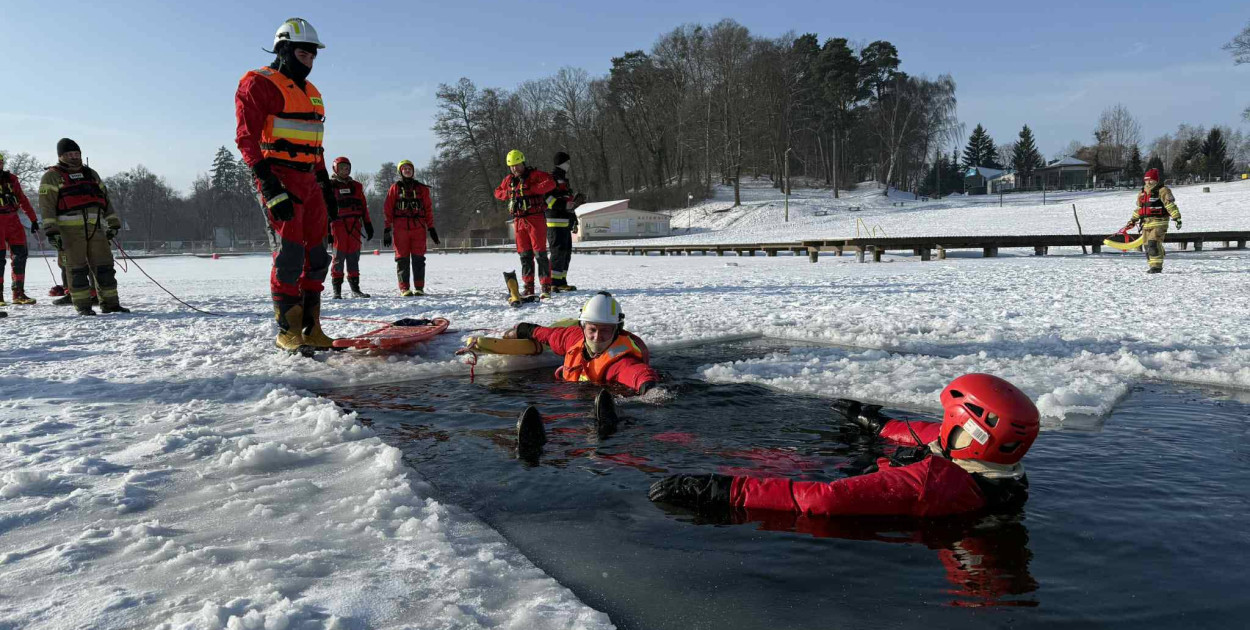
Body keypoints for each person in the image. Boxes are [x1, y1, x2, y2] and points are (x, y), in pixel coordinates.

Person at [649, 373, 1040, 518]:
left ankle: (656, 446)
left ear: (971, 435)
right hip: (887, 474)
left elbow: (823, 500)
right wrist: (879, 424)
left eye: (952, 422)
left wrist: (727, 490)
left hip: (839, 482)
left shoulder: (929, 481)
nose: (944, 427)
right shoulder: (999, 473)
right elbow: (933, 437)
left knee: (769, 460)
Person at [235, 17, 338, 352]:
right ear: (283, 51)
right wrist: (266, 183)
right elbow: (246, 138)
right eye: (302, 55)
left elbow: (315, 146)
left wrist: (325, 185)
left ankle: (312, 327)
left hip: (310, 179)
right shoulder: (258, 83)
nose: (308, 62)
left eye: (312, 57)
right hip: (278, 176)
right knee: (289, 254)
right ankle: (288, 330)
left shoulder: (312, 93)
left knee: (318, 255)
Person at [509, 292, 660, 443]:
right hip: (567, 398)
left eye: (605, 330)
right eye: (592, 330)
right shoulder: (574, 338)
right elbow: (551, 335)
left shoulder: (619, 361)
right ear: (583, 327)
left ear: (617, 330)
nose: (597, 337)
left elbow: (637, 372)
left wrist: (650, 388)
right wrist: (525, 329)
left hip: (599, 404)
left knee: (591, 427)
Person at [38, 138, 128, 316]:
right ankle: (83, 306)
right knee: (76, 269)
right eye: (69, 154)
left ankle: (111, 304)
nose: (74, 157)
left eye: (76, 154)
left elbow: (106, 200)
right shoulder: (52, 176)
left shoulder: (91, 174)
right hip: (70, 232)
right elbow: (46, 206)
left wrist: (113, 223)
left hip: (95, 229)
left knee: (105, 267)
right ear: (61, 156)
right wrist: (51, 231)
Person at [495, 150, 556, 298]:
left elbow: (551, 183)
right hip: (519, 220)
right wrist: (509, 194)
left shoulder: (535, 175)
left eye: (516, 165)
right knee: (524, 254)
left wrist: (532, 189)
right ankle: (528, 286)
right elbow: (497, 192)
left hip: (535, 219)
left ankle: (545, 285)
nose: (514, 169)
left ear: (523, 162)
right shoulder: (509, 180)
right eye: (511, 166)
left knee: (540, 253)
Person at [383, 159, 437, 296]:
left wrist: (431, 228)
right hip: (400, 229)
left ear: (413, 171)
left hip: (418, 228)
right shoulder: (394, 188)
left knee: (419, 258)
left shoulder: (422, 189)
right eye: (404, 168)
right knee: (402, 259)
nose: (407, 170)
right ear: (400, 171)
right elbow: (388, 209)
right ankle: (404, 288)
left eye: (409, 168)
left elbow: (428, 209)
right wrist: (387, 229)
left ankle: (419, 287)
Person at [328, 156, 373, 299]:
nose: (345, 170)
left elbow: (364, 208)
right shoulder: (329, 186)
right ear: (335, 169)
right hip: (337, 227)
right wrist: (326, 231)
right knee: (338, 259)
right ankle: (337, 291)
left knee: (354, 258)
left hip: (354, 227)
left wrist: (368, 224)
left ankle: (355, 289)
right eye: (342, 168)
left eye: (347, 168)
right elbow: (324, 209)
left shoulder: (357, 186)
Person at [0, 152, 39, 305]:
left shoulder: (12, 179)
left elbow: (22, 199)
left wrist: (33, 219)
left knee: (20, 255)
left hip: (13, 220)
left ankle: (18, 293)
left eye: (0, 162)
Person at [1126, 168, 1182, 274]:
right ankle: (1152, 265)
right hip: (1146, 223)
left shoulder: (1163, 190)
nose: (1148, 182)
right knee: (1147, 246)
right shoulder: (1142, 192)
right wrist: (1133, 220)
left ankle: (1156, 267)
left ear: (1156, 180)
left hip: (1159, 222)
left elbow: (1170, 205)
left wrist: (1177, 217)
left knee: (1153, 243)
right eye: (1146, 180)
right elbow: (1140, 208)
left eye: (1151, 180)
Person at [545, 151, 585, 292]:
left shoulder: (564, 180)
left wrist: (573, 217)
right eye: (567, 162)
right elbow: (547, 199)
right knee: (557, 252)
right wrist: (564, 205)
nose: (569, 166)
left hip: (565, 221)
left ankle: (561, 281)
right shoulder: (551, 178)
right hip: (554, 221)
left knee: (566, 252)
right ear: (562, 163)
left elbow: (568, 201)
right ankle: (552, 283)